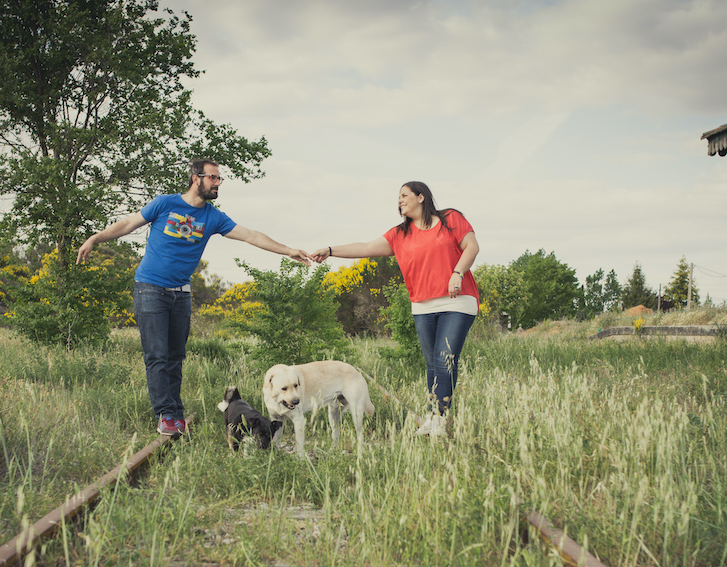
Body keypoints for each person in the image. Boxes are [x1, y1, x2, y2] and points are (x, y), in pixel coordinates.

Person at [78, 159, 311, 436]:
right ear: (195, 178)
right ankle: (165, 415)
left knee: (175, 356)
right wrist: (95, 238)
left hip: (181, 293)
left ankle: (175, 413)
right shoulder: (164, 204)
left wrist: (288, 250)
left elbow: (251, 235)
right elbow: (129, 223)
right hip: (150, 288)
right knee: (157, 356)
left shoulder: (213, 217)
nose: (217, 183)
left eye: (219, 179)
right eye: (213, 177)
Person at [312, 181, 479, 437]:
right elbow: (366, 248)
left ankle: (438, 420)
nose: (399, 200)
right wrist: (331, 250)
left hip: (457, 300)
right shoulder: (399, 234)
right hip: (422, 305)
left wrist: (458, 272)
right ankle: (435, 417)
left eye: (404, 195)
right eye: (398, 197)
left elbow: (472, 247)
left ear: (421, 197)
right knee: (433, 364)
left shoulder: (449, 219)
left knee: (445, 360)